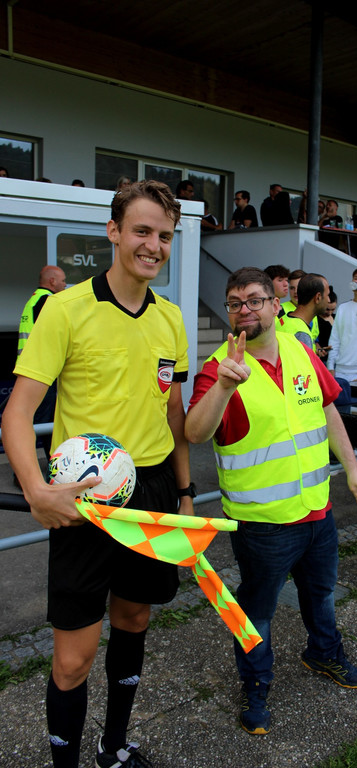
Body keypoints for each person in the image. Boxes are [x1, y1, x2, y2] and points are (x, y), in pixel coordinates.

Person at [2, 180, 193, 768]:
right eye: (141, 231)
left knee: (134, 619)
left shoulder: (171, 318)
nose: (153, 246)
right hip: (85, 502)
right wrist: (36, 490)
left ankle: (114, 748)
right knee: (71, 660)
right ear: (113, 232)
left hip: (154, 491)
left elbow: (173, 413)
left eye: (163, 236)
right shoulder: (65, 309)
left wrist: (185, 495)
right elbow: (15, 413)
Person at [184, 266, 357, 736]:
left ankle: (323, 653)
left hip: (318, 513)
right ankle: (256, 685)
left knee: (321, 594)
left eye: (254, 300)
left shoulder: (299, 351)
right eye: (235, 303)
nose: (244, 310)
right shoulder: (220, 368)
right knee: (256, 613)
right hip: (262, 526)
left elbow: (327, 407)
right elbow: (195, 432)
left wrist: (353, 470)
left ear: (277, 305)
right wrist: (224, 387)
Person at [17, 265, 67, 460]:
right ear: (52, 281)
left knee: (39, 423)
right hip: (43, 374)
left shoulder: (33, 300)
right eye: (63, 280)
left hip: (31, 371)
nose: (65, 285)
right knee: (44, 424)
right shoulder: (49, 302)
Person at [277, 273, 329, 349]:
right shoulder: (302, 335)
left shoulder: (285, 319)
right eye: (327, 295)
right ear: (318, 297)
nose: (329, 300)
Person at [316, 287, 337, 364]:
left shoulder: (337, 317)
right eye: (327, 309)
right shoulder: (316, 319)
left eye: (333, 309)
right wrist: (319, 348)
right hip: (323, 360)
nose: (329, 313)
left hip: (338, 359)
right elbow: (314, 339)